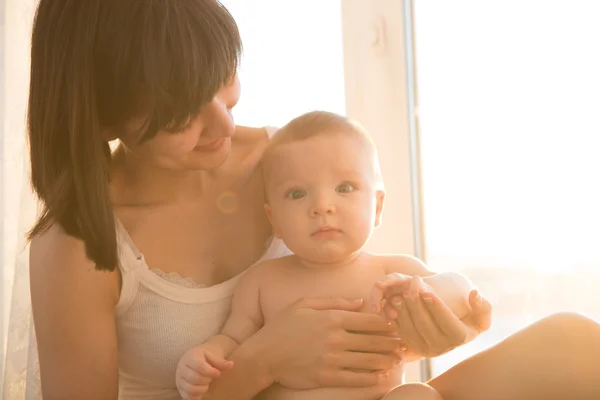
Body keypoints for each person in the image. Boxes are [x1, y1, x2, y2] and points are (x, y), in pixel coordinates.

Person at [26, 1, 600, 400]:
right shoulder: (81, 242)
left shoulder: (287, 165)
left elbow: (364, 302)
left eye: (222, 80)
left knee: (577, 345)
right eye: (181, 114)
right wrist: (264, 361)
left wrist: (436, 321)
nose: (223, 123)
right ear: (104, 118)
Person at [175, 111, 473, 400]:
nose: (322, 206)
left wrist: (428, 291)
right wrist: (204, 357)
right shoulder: (262, 281)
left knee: (417, 394)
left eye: (345, 188)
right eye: (297, 194)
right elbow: (232, 340)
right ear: (273, 219)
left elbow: (462, 295)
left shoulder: (393, 271)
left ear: (378, 207)